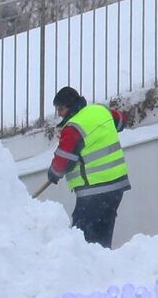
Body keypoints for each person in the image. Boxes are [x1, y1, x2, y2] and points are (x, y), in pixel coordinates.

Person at [36, 86, 133, 248]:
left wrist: (53, 173)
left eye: (60, 108)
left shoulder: (73, 128)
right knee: (103, 234)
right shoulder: (100, 111)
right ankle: (102, 267)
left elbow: (64, 161)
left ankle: (86, 270)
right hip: (116, 188)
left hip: (94, 191)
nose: (58, 113)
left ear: (70, 106)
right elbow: (121, 121)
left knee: (82, 241)